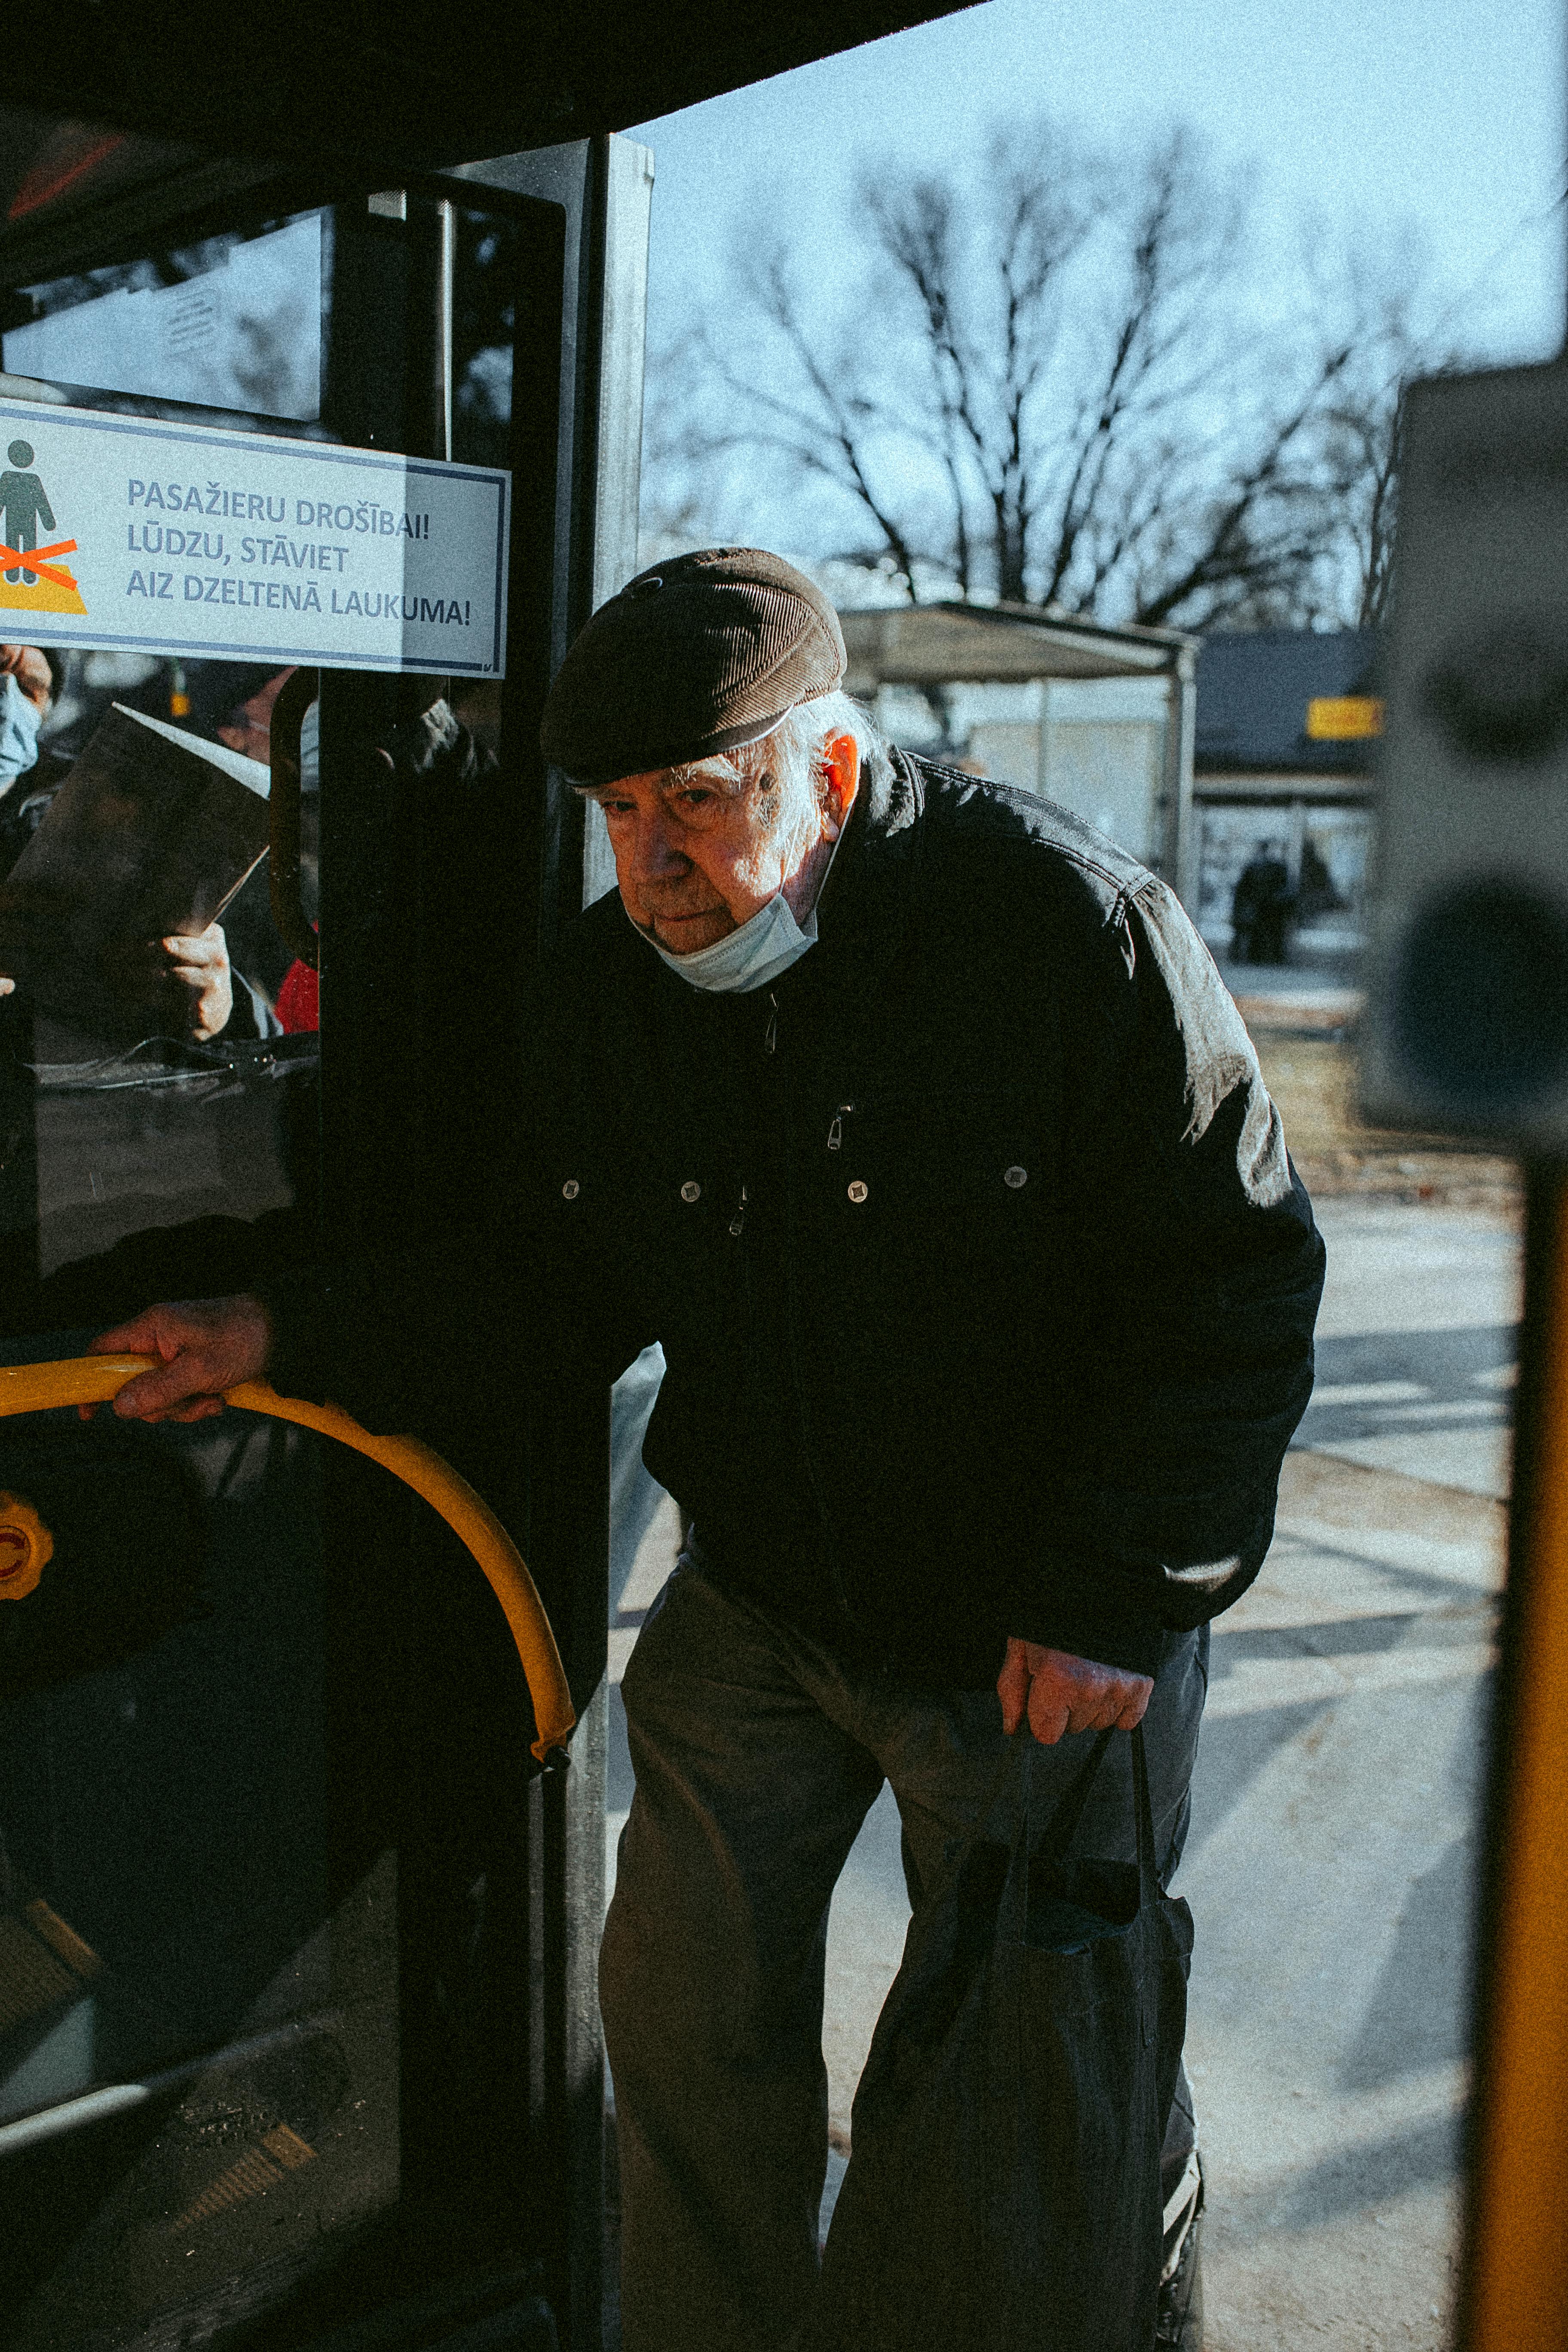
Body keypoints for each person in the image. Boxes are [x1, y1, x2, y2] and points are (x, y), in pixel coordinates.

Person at [89, 551, 1325, 2351]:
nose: (653, 865)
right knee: (674, 2031)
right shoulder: (614, 985)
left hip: (1034, 1620)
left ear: (827, 770)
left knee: (1009, 2114)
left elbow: (1234, 1281)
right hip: (762, 1599)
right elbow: (549, 1280)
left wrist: (1115, 1593)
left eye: (694, 803)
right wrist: (277, 1333)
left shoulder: (1064, 930)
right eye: (616, 814)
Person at [0, 642, 278, 1043]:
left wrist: (225, 1018)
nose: (7, 701)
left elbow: (264, 1049)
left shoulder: (77, 812)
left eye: (29, 689)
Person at [1228, 839, 1293, 967]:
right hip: (1269, 907)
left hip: (1263, 906)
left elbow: (1242, 889)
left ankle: (1259, 957)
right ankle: (1268, 957)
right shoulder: (1274, 867)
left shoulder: (1260, 867)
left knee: (1262, 934)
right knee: (1269, 934)